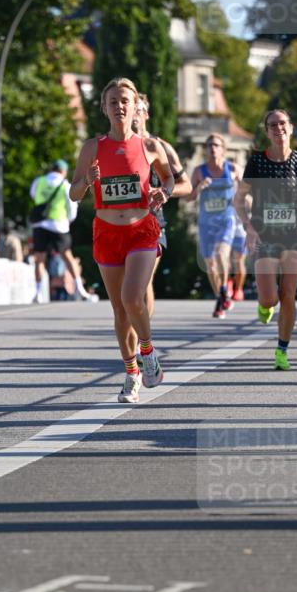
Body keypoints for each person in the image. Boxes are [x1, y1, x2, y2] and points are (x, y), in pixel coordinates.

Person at [70, 77, 174, 403]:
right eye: (113, 101)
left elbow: (169, 178)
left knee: (133, 298)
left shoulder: (150, 146)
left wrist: (163, 192)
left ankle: (148, 352)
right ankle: (131, 374)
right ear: (104, 108)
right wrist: (87, 181)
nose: (120, 106)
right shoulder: (92, 147)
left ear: (134, 107)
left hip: (141, 229)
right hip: (106, 233)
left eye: (125, 101)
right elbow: (74, 194)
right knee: (119, 312)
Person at [234, 108, 297, 370]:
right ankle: (265, 306)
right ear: (267, 132)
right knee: (269, 298)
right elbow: (238, 199)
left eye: (282, 123)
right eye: (272, 125)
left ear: (291, 127)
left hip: (293, 236)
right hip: (265, 235)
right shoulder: (257, 163)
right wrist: (248, 227)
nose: (278, 128)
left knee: (288, 294)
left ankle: (282, 350)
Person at [133, 93, 192, 317]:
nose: (134, 115)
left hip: (153, 222)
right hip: (124, 222)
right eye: (132, 109)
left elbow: (186, 186)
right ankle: (133, 331)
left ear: (146, 114)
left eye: (139, 110)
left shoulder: (161, 147)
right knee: (127, 286)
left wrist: (165, 191)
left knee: (143, 280)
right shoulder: (119, 147)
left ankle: (143, 341)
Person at [187, 133, 244, 318]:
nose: (213, 148)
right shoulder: (198, 171)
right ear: (206, 149)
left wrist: (240, 187)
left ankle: (223, 297)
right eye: (209, 145)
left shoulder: (233, 168)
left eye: (216, 145)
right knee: (210, 265)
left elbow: (248, 191)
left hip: (226, 221)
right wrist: (198, 188)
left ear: (223, 150)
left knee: (221, 254)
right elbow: (187, 197)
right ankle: (221, 293)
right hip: (206, 223)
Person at [30, 159, 95, 302]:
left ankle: (38, 293)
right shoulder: (65, 185)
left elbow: (34, 195)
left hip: (40, 224)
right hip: (59, 225)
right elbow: (72, 207)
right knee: (67, 256)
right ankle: (80, 289)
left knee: (39, 259)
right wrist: (69, 220)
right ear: (63, 171)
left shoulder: (38, 182)